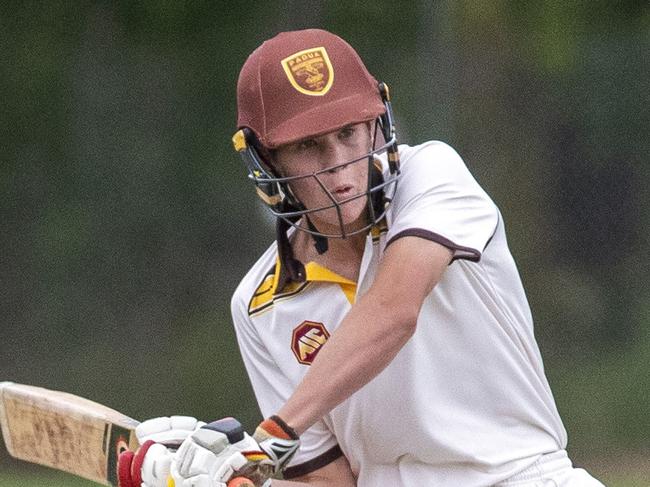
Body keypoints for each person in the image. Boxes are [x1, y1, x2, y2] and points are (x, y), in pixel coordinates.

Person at [118, 28, 606, 487]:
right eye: (308, 145)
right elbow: (325, 480)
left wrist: (266, 438)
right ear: (266, 160)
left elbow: (394, 312)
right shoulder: (257, 304)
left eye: (349, 133)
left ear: (378, 125)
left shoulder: (433, 175)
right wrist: (227, 478)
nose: (339, 166)